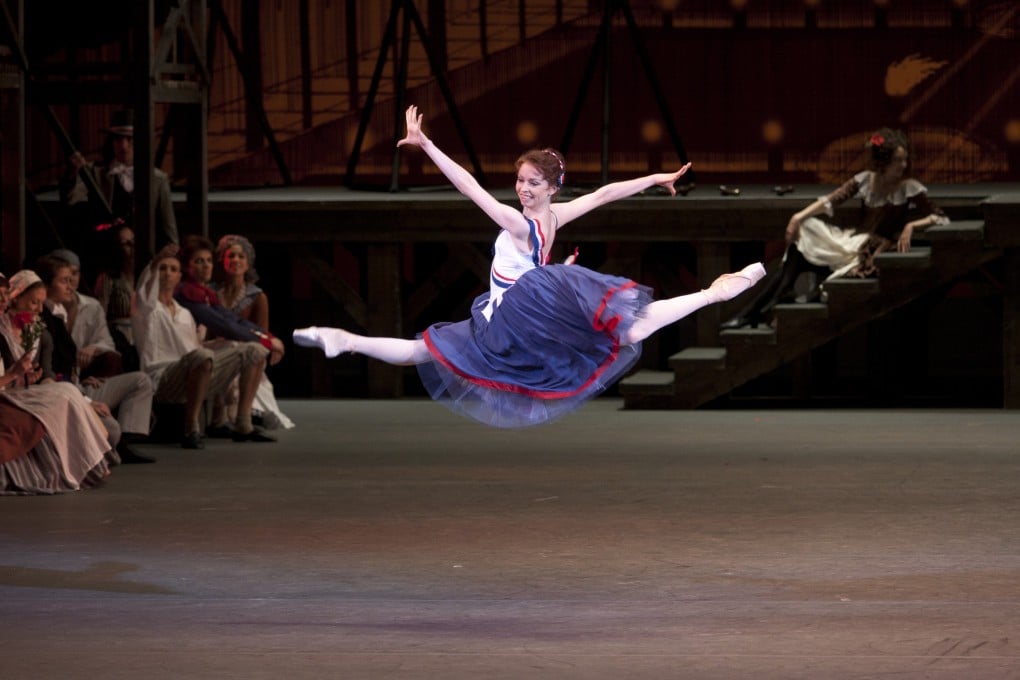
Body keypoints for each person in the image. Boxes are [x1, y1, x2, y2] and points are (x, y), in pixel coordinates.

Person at [294, 105, 765, 428]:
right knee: (426, 351)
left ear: (552, 189)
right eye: (520, 180)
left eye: (533, 183)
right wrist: (655, 177)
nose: (522, 189)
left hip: (519, 310)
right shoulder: (542, 220)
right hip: (512, 311)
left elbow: (593, 193)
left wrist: (427, 146)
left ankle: (713, 293)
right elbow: (594, 194)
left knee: (630, 330)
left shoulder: (531, 223)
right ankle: (345, 340)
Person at [721, 127, 950, 329]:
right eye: (898, 160)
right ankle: (757, 310)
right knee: (800, 243)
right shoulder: (865, 180)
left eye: (905, 160)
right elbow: (832, 199)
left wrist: (911, 225)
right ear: (885, 161)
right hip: (852, 241)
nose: (903, 165)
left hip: (870, 250)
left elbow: (940, 217)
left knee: (797, 256)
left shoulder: (908, 187)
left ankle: (758, 311)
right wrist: (798, 217)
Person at [133, 245, 274, 448]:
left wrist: (226, 345)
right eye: (162, 268)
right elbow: (144, 287)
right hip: (162, 376)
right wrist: (156, 261)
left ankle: (243, 423)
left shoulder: (184, 313)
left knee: (255, 350)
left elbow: (195, 345)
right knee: (202, 356)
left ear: (179, 276)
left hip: (194, 372)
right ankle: (191, 428)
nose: (167, 273)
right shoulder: (146, 306)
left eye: (173, 269)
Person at [0, 270, 116, 494]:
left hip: (20, 389)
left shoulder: (40, 332)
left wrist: (26, 377)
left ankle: (94, 464)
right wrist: (15, 375)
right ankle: (93, 464)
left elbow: (47, 374)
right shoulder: (3, 332)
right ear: (17, 298)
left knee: (68, 391)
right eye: (33, 302)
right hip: (10, 395)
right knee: (65, 394)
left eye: (41, 303)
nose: (38, 309)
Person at [36, 255, 157, 464]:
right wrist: (83, 397)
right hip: (63, 392)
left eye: (72, 278)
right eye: (64, 280)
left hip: (76, 386)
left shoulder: (60, 312)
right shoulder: (43, 319)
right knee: (110, 428)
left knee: (140, 380)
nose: (71, 285)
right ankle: (106, 448)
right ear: (47, 285)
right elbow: (50, 370)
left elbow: (104, 345)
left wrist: (82, 379)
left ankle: (125, 442)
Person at [175, 236, 286, 437]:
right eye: (199, 261)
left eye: (208, 261)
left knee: (253, 350)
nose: (205, 266)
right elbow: (223, 325)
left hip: (213, 346)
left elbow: (232, 320)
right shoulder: (190, 292)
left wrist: (268, 338)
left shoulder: (208, 292)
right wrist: (266, 341)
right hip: (191, 353)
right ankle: (221, 419)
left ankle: (243, 420)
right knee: (242, 347)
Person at [60, 109, 179, 276]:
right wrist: (73, 174)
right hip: (104, 255)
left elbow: (168, 228)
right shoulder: (95, 172)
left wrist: (167, 254)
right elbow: (71, 199)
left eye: (129, 139)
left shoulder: (157, 179)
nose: (123, 146)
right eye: (118, 139)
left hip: (144, 258)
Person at [211, 234, 293, 430]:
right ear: (223, 260)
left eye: (241, 256)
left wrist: (270, 344)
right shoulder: (212, 293)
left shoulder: (257, 297)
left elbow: (261, 332)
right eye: (231, 256)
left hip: (245, 353)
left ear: (248, 264)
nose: (236, 260)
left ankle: (242, 415)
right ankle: (221, 416)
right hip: (217, 350)